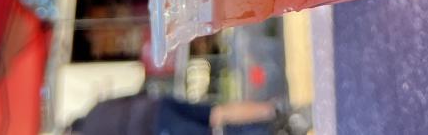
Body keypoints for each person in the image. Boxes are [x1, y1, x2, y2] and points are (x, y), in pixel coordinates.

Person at [68, 93, 277, 135]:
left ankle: (272, 132)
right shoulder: (96, 108)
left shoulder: (92, 132)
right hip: (158, 104)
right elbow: (131, 96)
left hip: (156, 126)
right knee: (216, 113)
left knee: (212, 133)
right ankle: (272, 110)